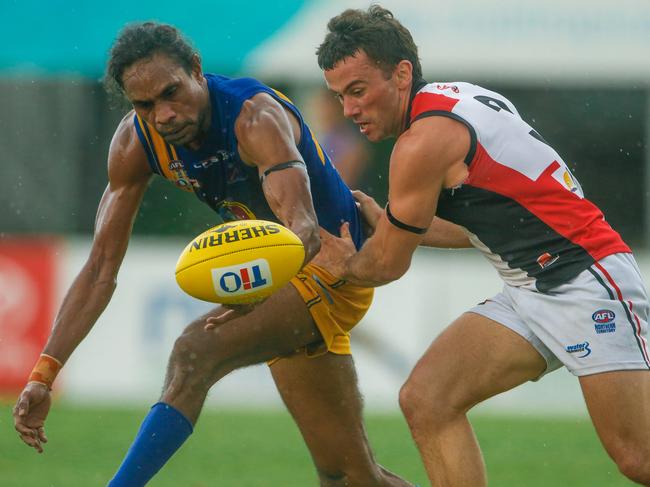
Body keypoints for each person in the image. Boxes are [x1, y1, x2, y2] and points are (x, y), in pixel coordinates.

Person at [12, 22, 414, 487]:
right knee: (349, 478)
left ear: (197, 71)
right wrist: (44, 372)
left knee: (193, 352)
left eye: (171, 93)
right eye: (144, 105)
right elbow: (101, 268)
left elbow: (303, 231)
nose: (162, 115)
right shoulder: (135, 142)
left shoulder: (253, 118)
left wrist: (251, 293)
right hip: (282, 280)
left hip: (329, 266)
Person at [314, 5, 650, 486]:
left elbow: (387, 264)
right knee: (428, 400)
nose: (349, 110)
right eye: (340, 95)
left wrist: (341, 263)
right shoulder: (459, 97)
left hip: (584, 279)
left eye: (359, 91)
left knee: (638, 459)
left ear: (402, 73)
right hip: (533, 282)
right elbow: (483, 229)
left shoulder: (422, 142)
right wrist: (388, 222)